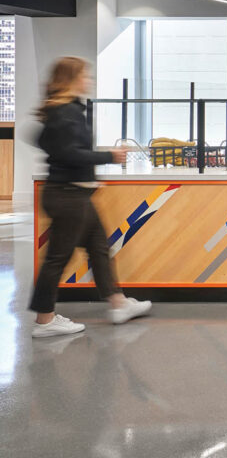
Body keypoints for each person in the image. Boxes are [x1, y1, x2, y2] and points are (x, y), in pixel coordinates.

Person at [29, 57, 152, 338]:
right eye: (85, 75)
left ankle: (118, 303)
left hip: (74, 193)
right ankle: (45, 320)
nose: (89, 80)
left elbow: (46, 143)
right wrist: (110, 155)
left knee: (98, 248)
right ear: (71, 79)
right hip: (68, 195)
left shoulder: (64, 110)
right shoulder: (65, 112)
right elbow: (67, 153)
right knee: (57, 259)